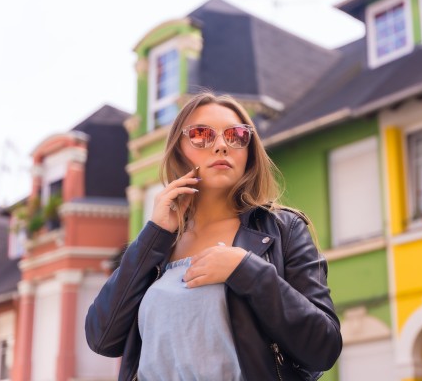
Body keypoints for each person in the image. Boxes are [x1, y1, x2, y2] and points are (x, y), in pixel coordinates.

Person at [85, 92, 342, 381]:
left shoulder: (284, 229)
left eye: (236, 135)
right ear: (179, 150)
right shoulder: (159, 243)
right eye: (201, 135)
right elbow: (101, 337)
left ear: (249, 151)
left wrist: (247, 271)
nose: (221, 145)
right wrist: (154, 234)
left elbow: (324, 347)